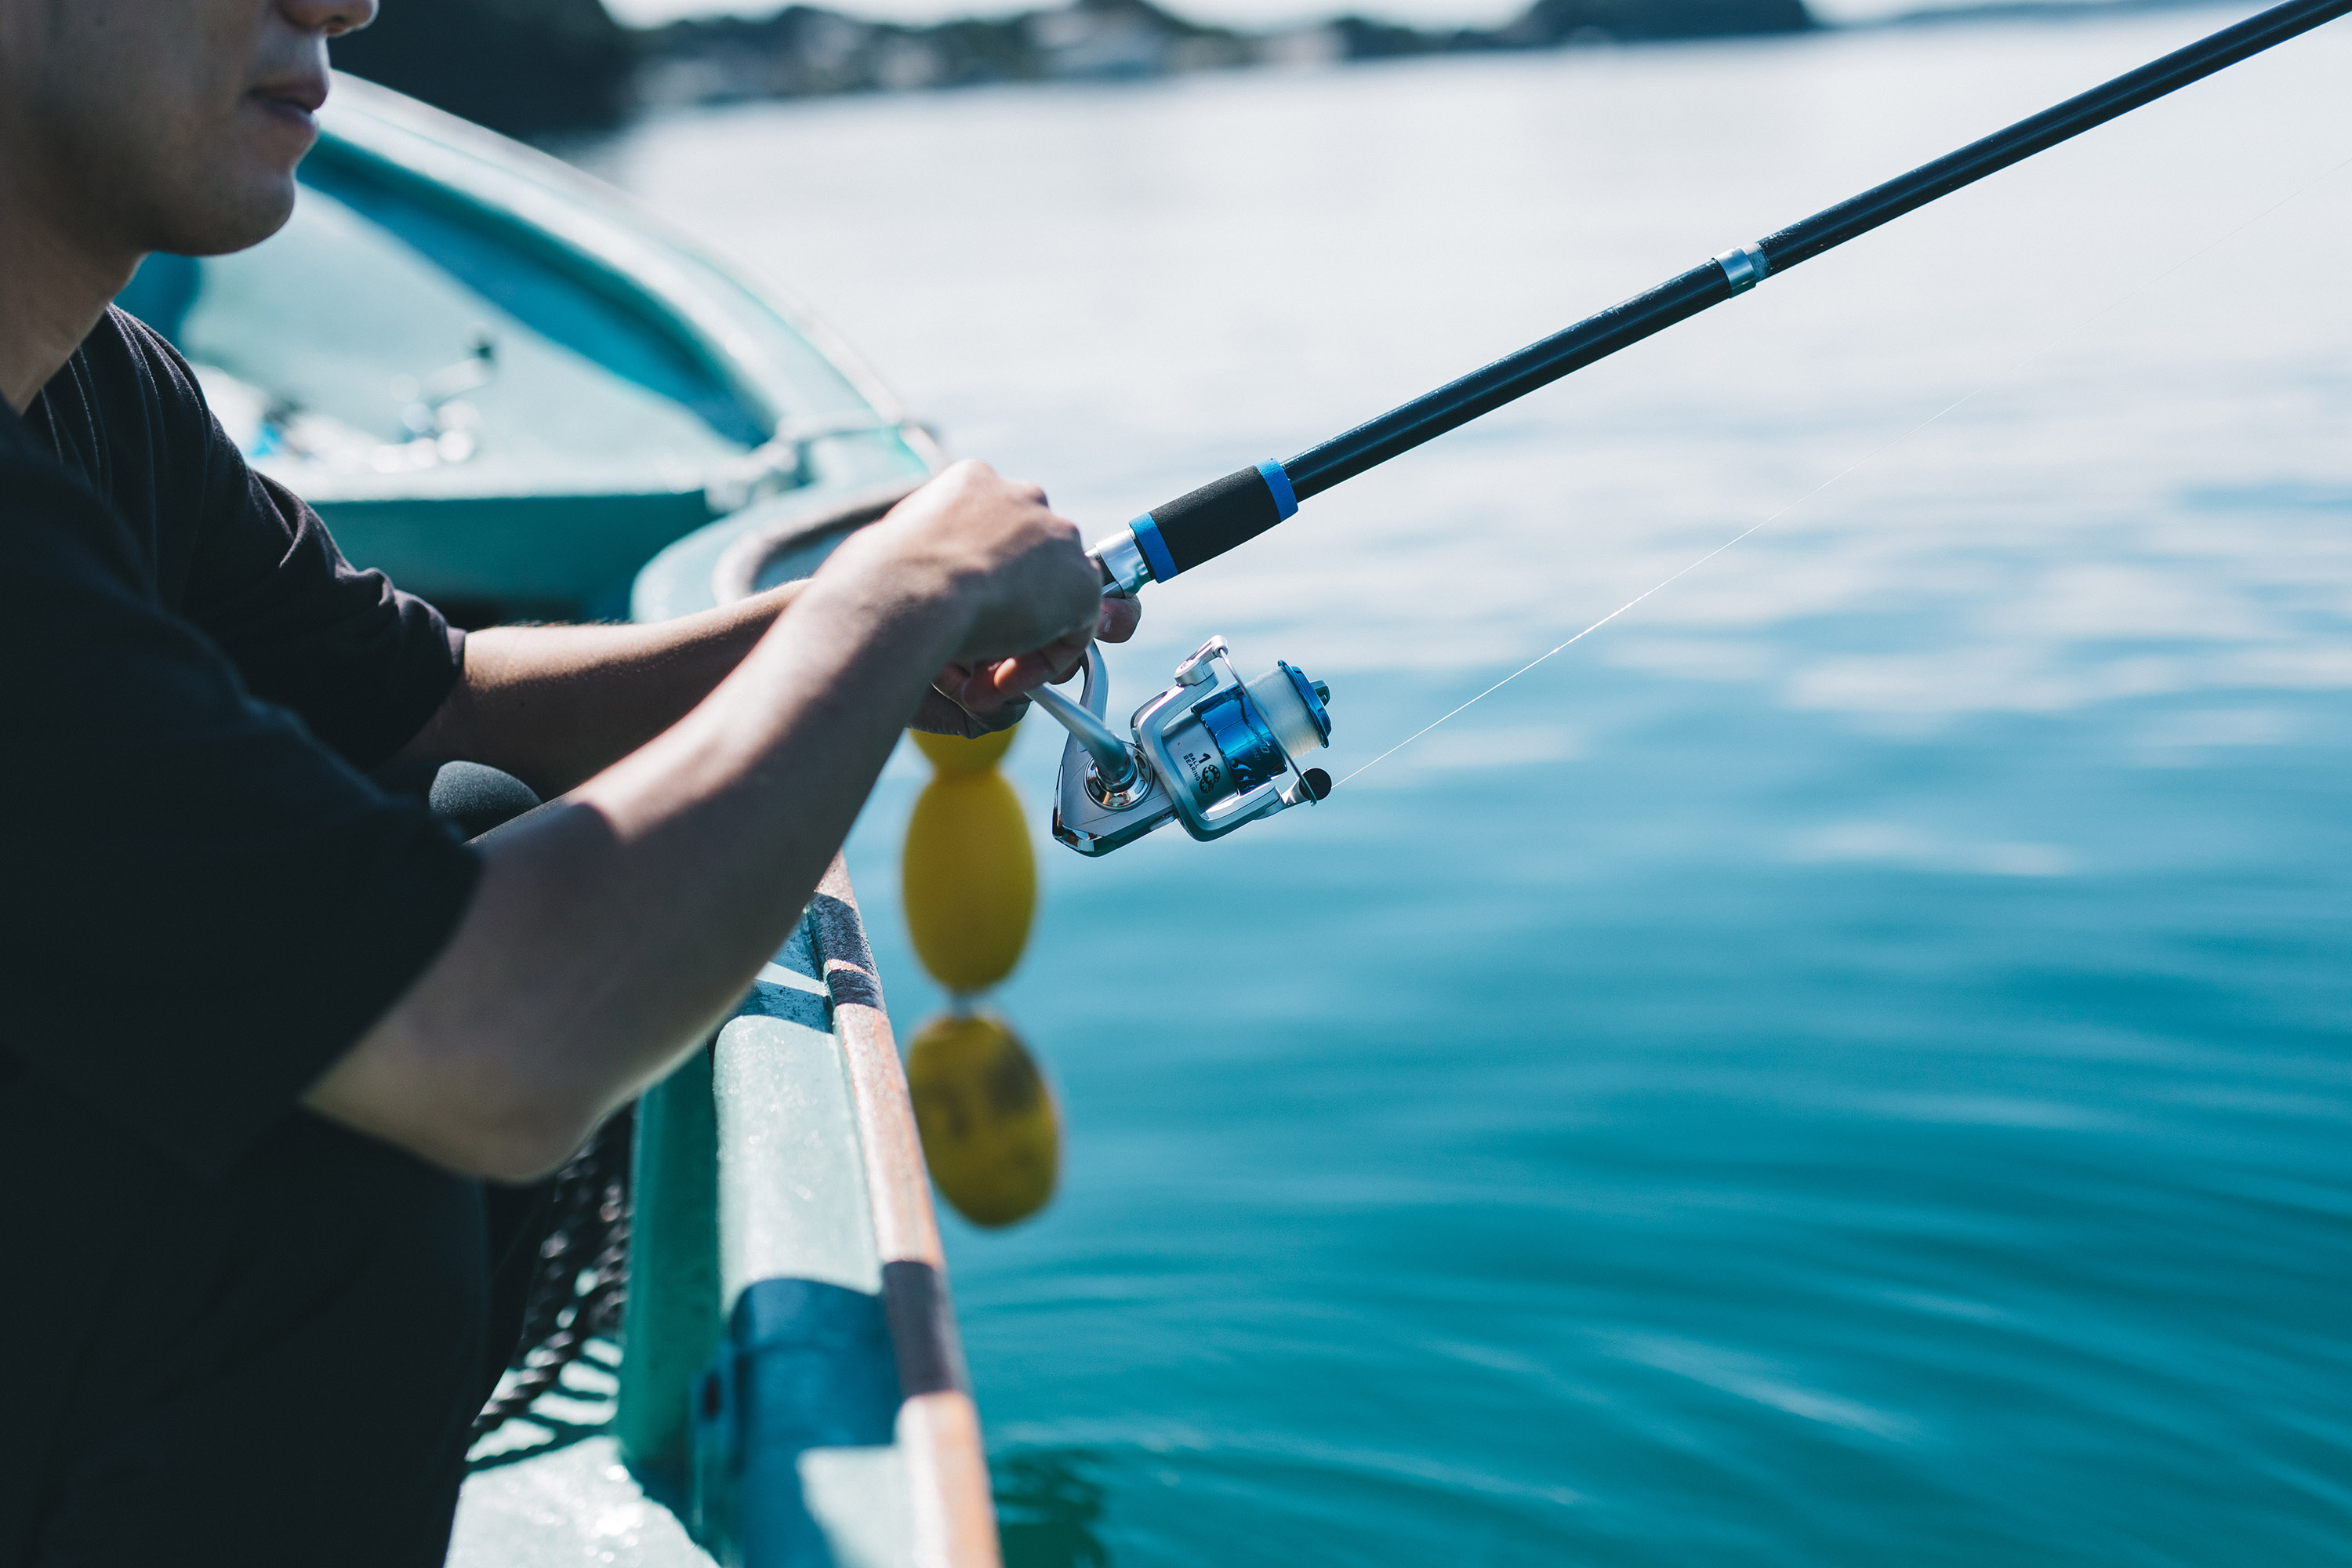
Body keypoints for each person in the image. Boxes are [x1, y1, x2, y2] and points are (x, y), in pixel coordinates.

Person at [0, 1, 1137, 1561]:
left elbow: (428, 692)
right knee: (383, 1111)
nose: (345, 4)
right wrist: (899, 604)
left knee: (470, 823)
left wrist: (852, 628)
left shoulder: (96, 382)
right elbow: (492, 1045)